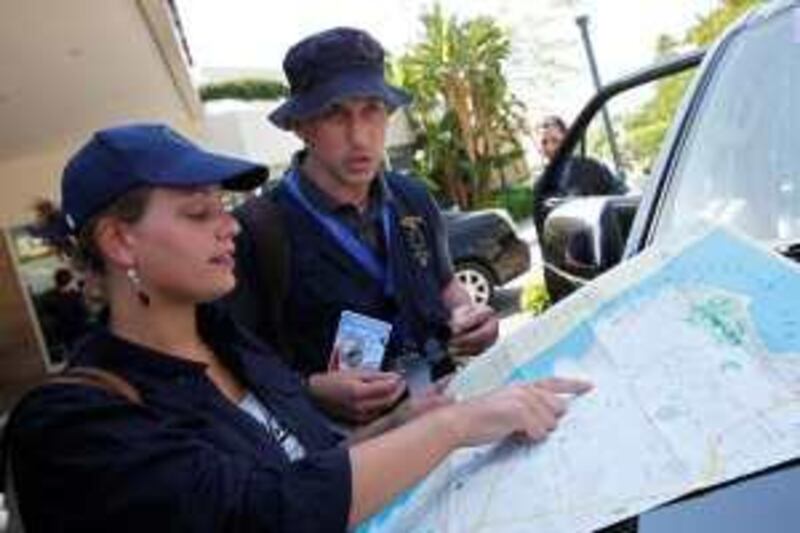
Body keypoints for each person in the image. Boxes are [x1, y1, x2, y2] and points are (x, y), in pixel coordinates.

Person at [1, 123, 591, 532]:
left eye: (224, 209)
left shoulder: (229, 341)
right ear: (119, 239)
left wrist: (400, 424)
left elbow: (305, 468)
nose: (228, 229)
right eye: (199, 213)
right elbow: (260, 514)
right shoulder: (72, 425)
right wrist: (453, 428)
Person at [227, 27, 500, 425]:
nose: (359, 137)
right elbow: (240, 370)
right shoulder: (256, 232)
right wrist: (311, 390)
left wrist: (470, 315)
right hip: (355, 451)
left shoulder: (413, 198)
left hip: (449, 405)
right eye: (334, 113)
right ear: (301, 126)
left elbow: (445, 284)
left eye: (372, 109)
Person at [533, 115, 628, 233]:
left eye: (555, 140)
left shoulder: (592, 167)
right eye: (544, 142)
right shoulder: (540, 186)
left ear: (567, 140)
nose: (550, 147)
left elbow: (621, 198)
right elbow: (543, 232)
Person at [34, 267, 91, 362]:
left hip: (66, 336)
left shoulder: (50, 298)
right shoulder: (74, 297)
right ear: (70, 281)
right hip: (79, 333)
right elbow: (84, 313)